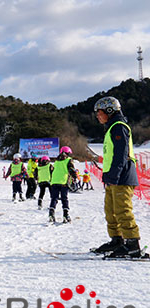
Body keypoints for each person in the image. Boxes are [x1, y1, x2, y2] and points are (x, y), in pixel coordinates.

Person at [91, 97, 144, 257]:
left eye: (99, 113)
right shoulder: (112, 127)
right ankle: (117, 240)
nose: (98, 116)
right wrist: (108, 176)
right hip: (113, 177)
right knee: (111, 210)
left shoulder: (119, 127)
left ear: (109, 111)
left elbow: (121, 154)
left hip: (122, 176)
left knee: (122, 210)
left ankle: (132, 244)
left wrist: (114, 175)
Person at [48, 146, 78, 223]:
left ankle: (51, 214)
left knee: (54, 198)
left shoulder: (56, 161)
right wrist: (74, 177)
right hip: (63, 182)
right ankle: (66, 215)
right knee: (64, 198)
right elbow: (71, 170)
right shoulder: (68, 160)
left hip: (54, 181)